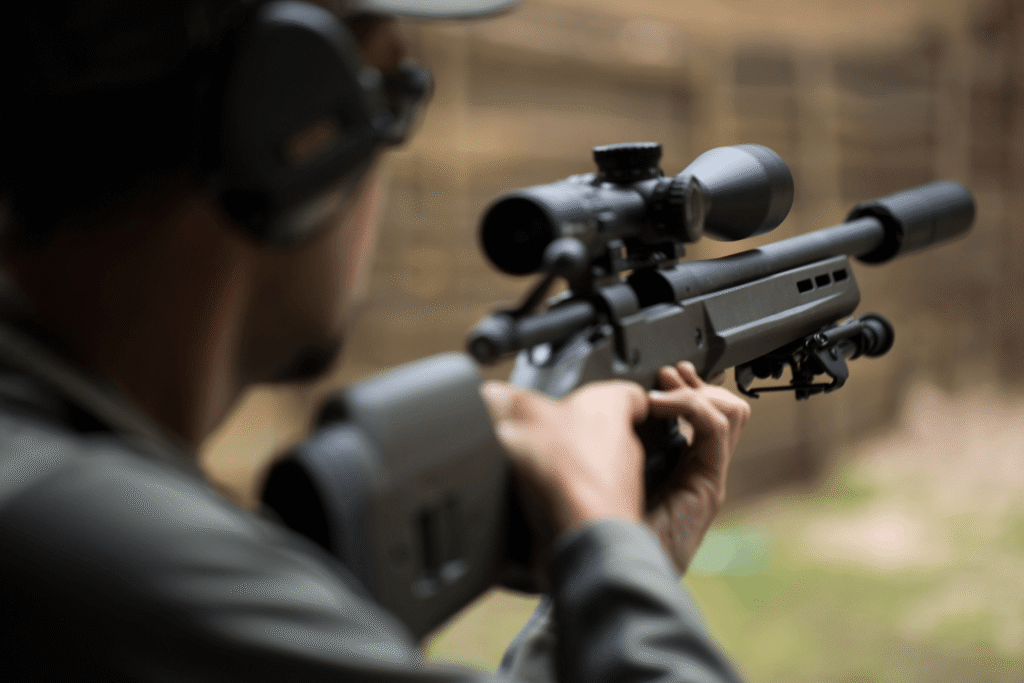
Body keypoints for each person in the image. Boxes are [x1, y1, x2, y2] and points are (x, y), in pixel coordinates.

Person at [0, 1, 751, 681]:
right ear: (292, 133)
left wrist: (611, 574)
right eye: (391, 95)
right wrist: (603, 535)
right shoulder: (107, 558)